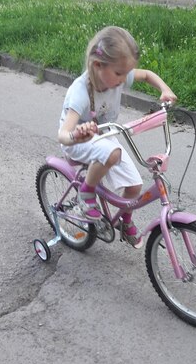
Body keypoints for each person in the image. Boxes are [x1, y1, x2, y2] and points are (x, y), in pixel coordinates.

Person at [58, 26, 177, 248]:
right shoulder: (80, 92)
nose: (124, 79)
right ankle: (86, 193)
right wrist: (77, 134)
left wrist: (164, 89)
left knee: (134, 185)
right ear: (97, 65)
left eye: (126, 73)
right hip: (78, 143)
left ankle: (125, 221)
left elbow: (147, 75)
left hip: (104, 135)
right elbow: (63, 135)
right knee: (113, 153)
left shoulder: (115, 75)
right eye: (119, 73)